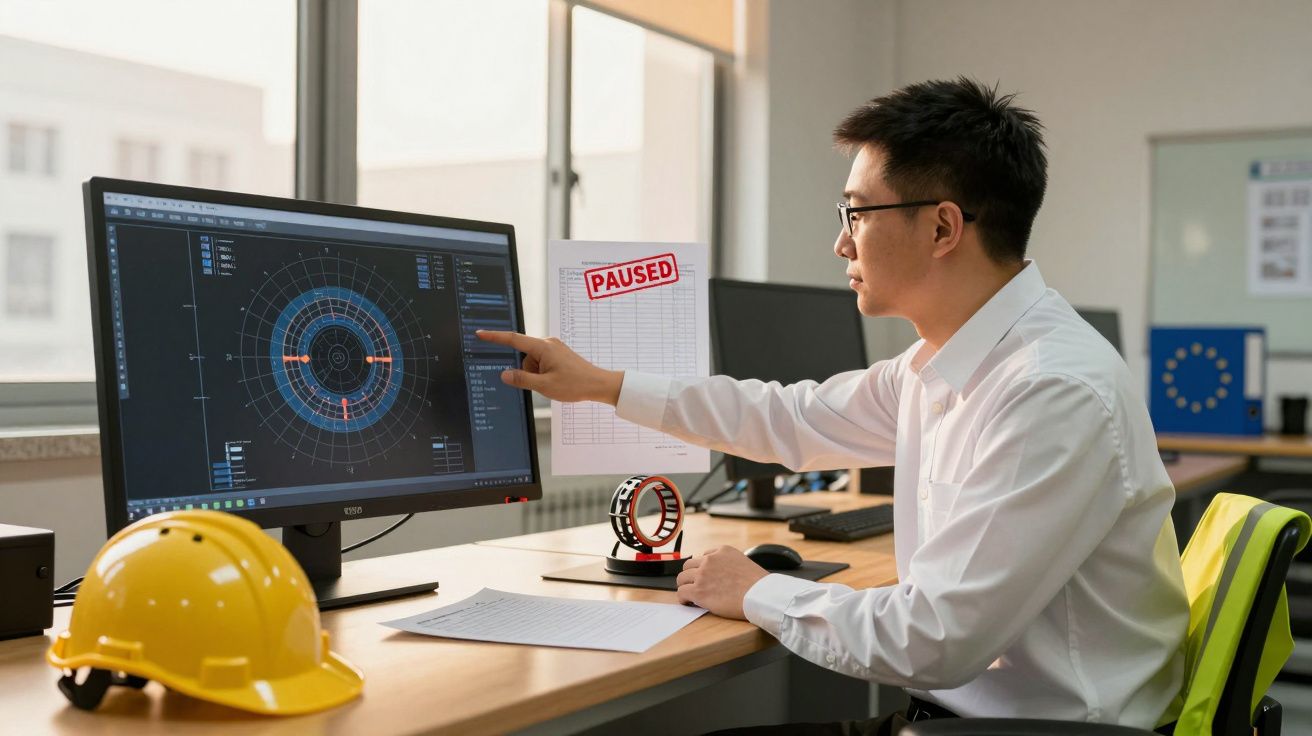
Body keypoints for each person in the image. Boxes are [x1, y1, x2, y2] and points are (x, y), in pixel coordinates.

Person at [477, 77, 1188, 734]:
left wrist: (757, 591)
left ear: (943, 229)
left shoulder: (1049, 390)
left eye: (857, 212)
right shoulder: (943, 364)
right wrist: (601, 385)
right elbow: (788, 418)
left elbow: (934, 639)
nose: (841, 241)